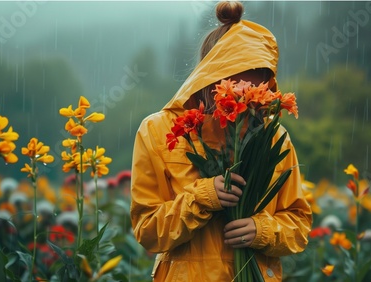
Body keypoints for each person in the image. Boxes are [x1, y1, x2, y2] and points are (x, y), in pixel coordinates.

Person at [130, 1, 312, 281]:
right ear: (209, 77)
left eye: (257, 88)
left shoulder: (273, 136)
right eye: (235, 86)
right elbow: (148, 231)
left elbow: (298, 226)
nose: (246, 98)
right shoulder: (156, 130)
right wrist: (203, 197)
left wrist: (260, 230)